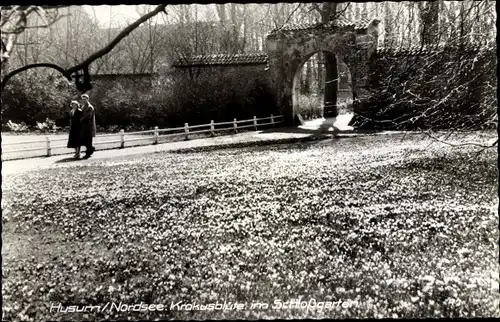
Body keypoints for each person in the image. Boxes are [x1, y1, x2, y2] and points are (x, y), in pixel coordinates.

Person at [80, 94, 96, 159]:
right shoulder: (83, 106)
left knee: (88, 140)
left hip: (89, 126)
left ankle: (88, 153)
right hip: (84, 126)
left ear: (87, 99)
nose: (84, 100)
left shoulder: (90, 107)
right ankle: (91, 149)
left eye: (85, 99)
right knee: (84, 140)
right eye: (83, 99)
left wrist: (81, 119)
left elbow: (88, 116)